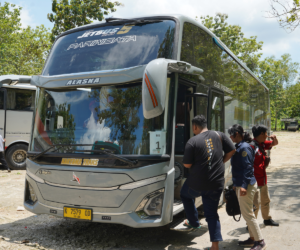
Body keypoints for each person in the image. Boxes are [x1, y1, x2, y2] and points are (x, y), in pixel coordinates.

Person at [180, 115, 235, 250]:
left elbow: (186, 165)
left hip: (196, 184)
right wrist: (220, 161)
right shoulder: (219, 135)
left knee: (185, 194)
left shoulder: (192, 142)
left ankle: (193, 221)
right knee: (211, 214)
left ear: (195, 127)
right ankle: (214, 246)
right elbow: (232, 150)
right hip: (216, 183)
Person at [228, 124, 266, 250]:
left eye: (231, 134)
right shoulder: (240, 146)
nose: (230, 137)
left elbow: (248, 168)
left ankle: (260, 242)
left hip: (247, 185)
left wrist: (243, 186)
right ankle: (252, 238)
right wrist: (236, 185)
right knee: (248, 214)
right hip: (243, 184)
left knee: (248, 214)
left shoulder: (244, 148)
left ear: (237, 134)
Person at [252, 125, 279, 227]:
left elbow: (275, 143)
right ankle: (251, 223)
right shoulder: (252, 146)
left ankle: (267, 219)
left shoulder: (262, 144)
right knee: (255, 204)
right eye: (266, 133)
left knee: (265, 200)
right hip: (254, 181)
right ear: (262, 134)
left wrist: (274, 138)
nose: (267, 135)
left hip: (263, 179)